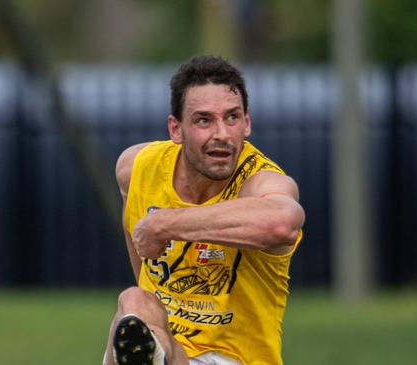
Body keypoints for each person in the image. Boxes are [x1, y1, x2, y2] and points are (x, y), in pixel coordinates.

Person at [103, 55, 305, 365]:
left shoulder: (260, 180)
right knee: (134, 301)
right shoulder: (137, 168)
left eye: (232, 117)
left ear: (247, 123)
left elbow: (282, 223)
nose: (222, 133)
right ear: (176, 128)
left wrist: (164, 223)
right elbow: (145, 259)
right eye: (204, 120)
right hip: (168, 346)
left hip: (234, 359)